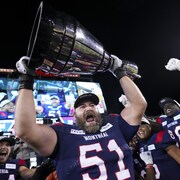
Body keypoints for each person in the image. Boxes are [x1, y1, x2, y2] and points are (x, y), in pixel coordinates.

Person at [14, 54, 147, 179]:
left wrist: (119, 71)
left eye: (92, 105)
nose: (88, 108)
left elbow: (139, 105)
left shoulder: (114, 123)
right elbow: (25, 130)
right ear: (74, 114)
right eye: (82, 107)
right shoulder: (61, 133)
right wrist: (26, 79)